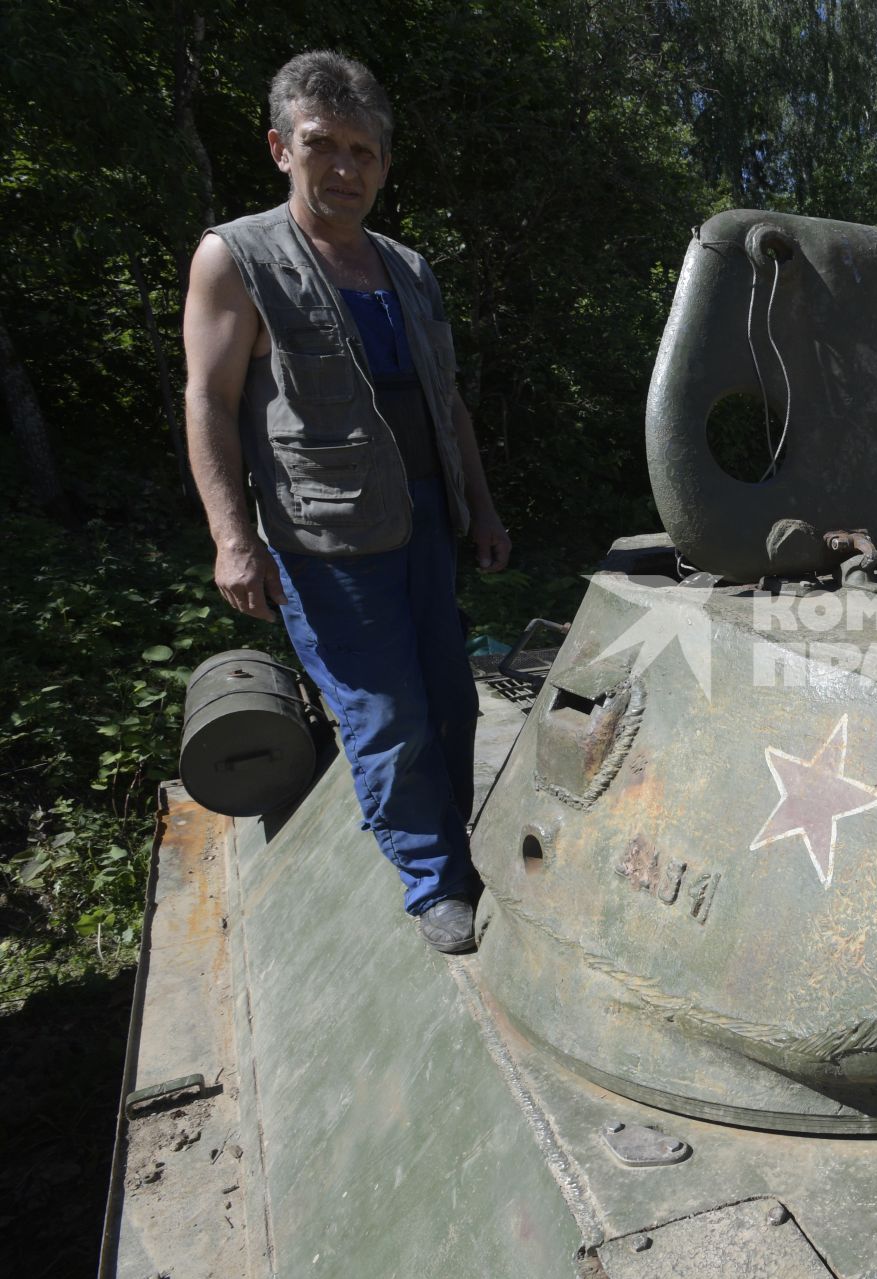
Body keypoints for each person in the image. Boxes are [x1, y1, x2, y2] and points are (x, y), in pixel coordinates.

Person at [183, 50, 510, 953]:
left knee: (451, 699)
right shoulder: (238, 258)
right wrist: (232, 538)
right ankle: (433, 881)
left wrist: (480, 507)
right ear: (281, 146)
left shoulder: (407, 267)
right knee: (384, 716)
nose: (345, 169)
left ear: (384, 163)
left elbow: (447, 401)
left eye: (364, 151)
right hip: (325, 535)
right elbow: (208, 399)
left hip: (425, 521)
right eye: (323, 145)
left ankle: (456, 845)